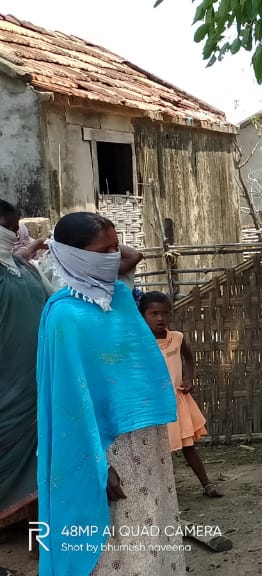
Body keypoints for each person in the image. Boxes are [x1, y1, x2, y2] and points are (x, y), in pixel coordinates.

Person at [36, 212, 185, 576]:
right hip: (105, 449)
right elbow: (68, 404)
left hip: (147, 442)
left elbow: (139, 370)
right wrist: (96, 466)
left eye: (115, 247)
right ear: (74, 255)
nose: (114, 257)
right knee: (117, 547)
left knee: (154, 534)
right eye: (102, 251)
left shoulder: (120, 297)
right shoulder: (64, 316)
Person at [138, 291, 223, 498]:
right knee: (155, 449)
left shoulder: (177, 338)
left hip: (177, 401)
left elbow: (189, 359)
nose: (160, 318)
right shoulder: (139, 342)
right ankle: (158, 492)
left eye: (165, 313)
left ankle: (207, 484)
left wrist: (188, 378)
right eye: (154, 313)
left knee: (188, 445)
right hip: (152, 406)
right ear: (142, 315)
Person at [0, 200, 48, 544]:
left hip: (35, 384)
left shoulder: (22, 267)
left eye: (16, 227)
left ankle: (37, 542)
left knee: (37, 462)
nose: (13, 233)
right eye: (7, 227)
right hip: (7, 389)